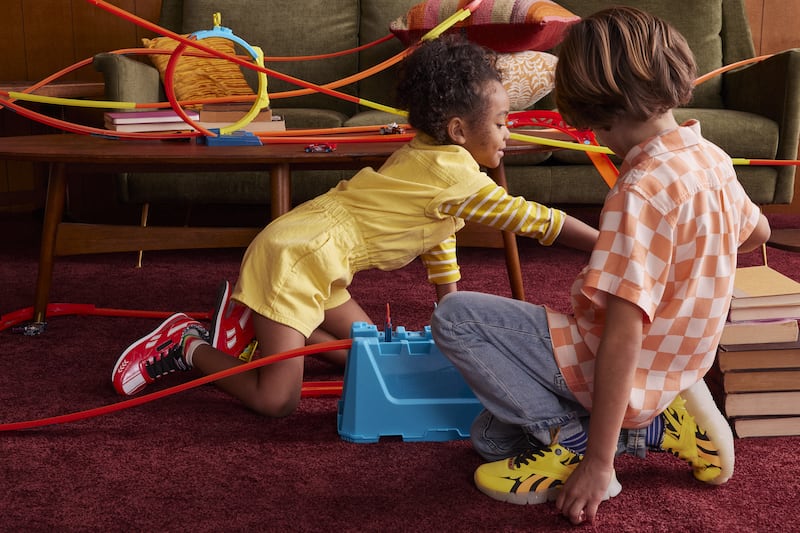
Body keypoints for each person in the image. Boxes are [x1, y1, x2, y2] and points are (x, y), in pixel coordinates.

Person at [111, 35, 599, 418]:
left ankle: (266, 327)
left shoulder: (439, 166)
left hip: (320, 259)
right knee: (276, 402)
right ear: (457, 131)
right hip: (295, 259)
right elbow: (536, 220)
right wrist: (607, 244)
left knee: (370, 362)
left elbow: (442, 247)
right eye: (502, 123)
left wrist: (451, 321)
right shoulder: (453, 175)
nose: (509, 133)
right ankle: (186, 345)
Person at [430, 6, 771, 526]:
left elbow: (621, 335)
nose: (597, 139)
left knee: (455, 315)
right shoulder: (712, 158)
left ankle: (576, 442)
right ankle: (654, 427)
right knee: (489, 437)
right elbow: (760, 234)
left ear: (600, 108)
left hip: (622, 367)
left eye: (596, 128)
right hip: (674, 369)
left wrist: (597, 463)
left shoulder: (640, 191)